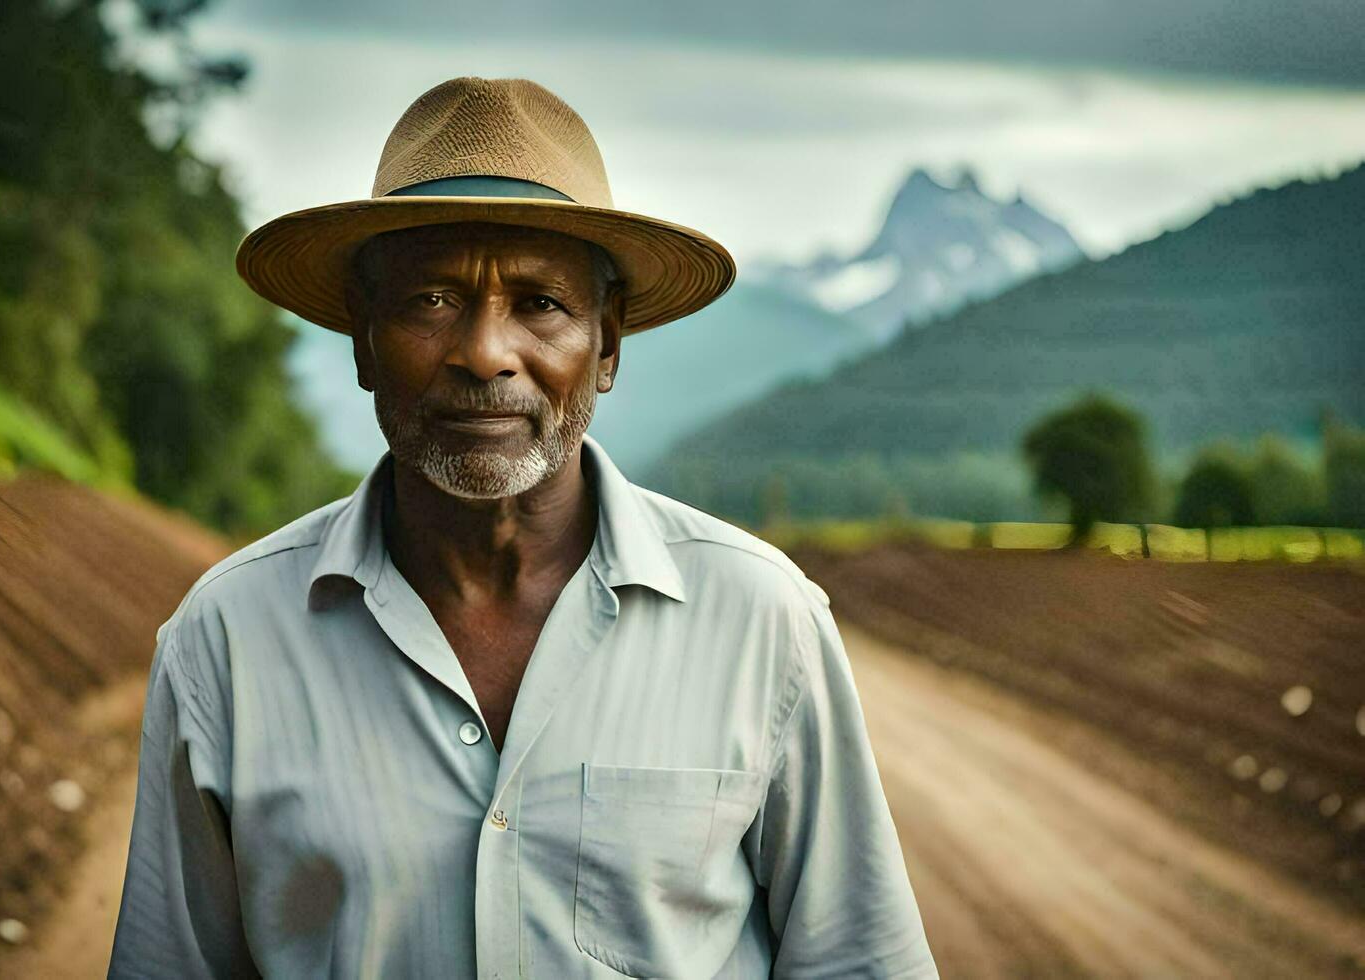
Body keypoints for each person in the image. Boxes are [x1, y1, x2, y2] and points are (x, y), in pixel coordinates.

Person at [109, 75, 937, 979]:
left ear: (607, 344)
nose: (485, 354)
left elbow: (859, 961)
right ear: (362, 340)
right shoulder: (226, 638)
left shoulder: (760, 618)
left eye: (541, 303)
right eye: (431, 300)